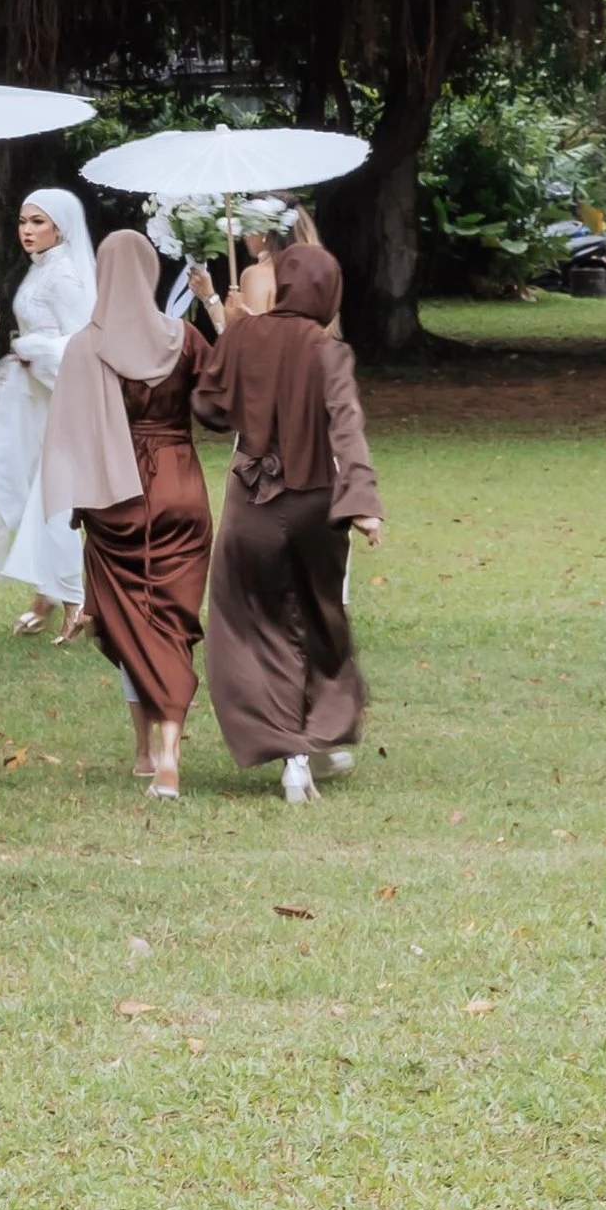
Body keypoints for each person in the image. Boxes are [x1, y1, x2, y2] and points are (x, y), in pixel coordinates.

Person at [194, 239, 384, 801]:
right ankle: (315, 739)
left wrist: (231, 337)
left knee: (253, 622)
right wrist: (364, 503)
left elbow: (208, 408)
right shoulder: (331, 351)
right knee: (319, 620)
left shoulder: (245, 334)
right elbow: (347, 430)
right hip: (316, 504)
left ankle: (294, 748)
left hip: (251, 499)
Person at [37, 228, 215, 799]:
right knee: (172, 624)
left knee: (131, 623)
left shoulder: (87, 347)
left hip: (116, 499)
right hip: (181, 487)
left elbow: (71, 434)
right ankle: (163, 752)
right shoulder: (184, 339)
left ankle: (151, 753)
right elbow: (219, 404)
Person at [0, 186, 97, 637]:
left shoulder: (63, 277)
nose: (26, 230)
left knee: (49, 497)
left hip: (53, 397)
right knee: (21, 489)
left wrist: (34, 348)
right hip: (29, 395)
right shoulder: (42, 270)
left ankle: (73, 599)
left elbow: (82, 342)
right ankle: (49, 594)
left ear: (60, 227)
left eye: (37, 222)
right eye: (23, 221)